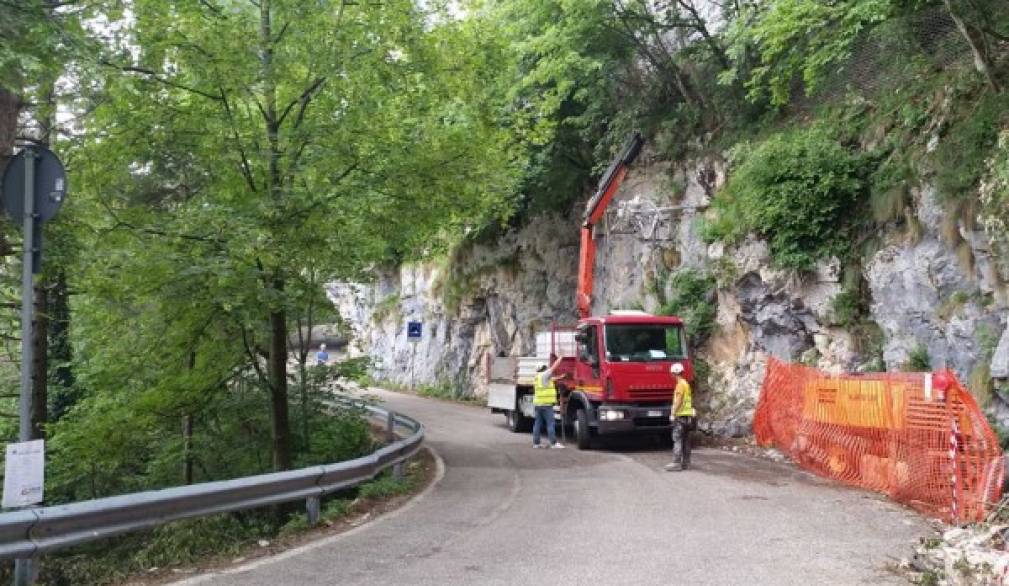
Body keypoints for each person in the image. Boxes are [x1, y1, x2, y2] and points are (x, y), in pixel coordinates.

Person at [665, 362, 695, 471]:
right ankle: (686, 463)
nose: (671, 375)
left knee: (677, 439)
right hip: (688, 416)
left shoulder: (680, 385)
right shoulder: (686, 384)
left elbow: (679, 400)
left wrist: (673, 413)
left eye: (671, 373)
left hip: (680, 416)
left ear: (674, 373)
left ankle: (676, 463)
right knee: (686, 440)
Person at [532, 356, 565, 449]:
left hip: (538, 404)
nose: (547, 368)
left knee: (537, 424)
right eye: (545, 367)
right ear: (543, 368)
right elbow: (554, 367)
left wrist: (560, 377)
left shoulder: (538, 377)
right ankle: (553, 443)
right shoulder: (544, 375)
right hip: (546, 405)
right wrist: (561, 357)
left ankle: (536, 443)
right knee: (550, 423)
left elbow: (551, 379)